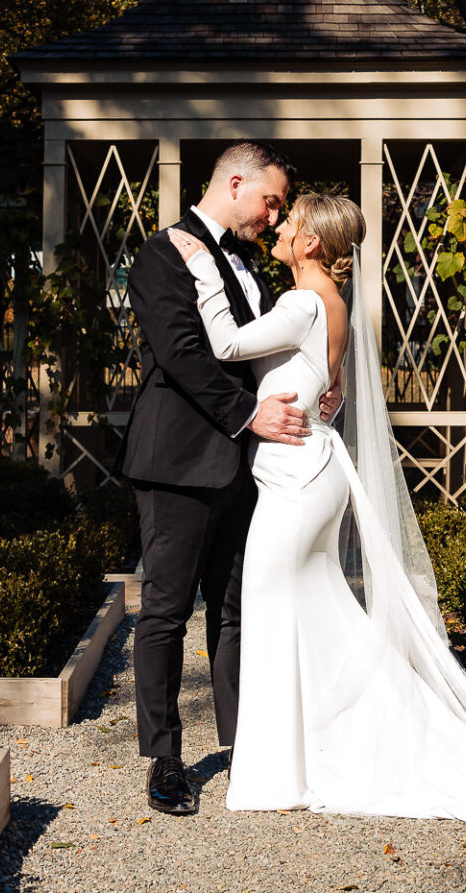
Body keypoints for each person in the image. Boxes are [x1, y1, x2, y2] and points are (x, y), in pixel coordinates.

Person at [169, 191, 466, 822]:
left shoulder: (304, 301)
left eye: (291, 224)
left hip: (297, 477)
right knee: (315, 611)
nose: (278, 228)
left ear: (309, 245)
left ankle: (279, 775)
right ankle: (351, 737)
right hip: (310, 468)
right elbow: (322, 383)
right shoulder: (329, 305)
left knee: (274, 613)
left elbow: (224, 345)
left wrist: (199, 265)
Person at [121, 141, 314, 817]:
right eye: (271, 201)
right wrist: (248, 417)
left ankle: (241, 750)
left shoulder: (247, 259)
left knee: (235, 611)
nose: (273, 215)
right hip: (177, 460)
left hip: (244, 468)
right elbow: (179, 353)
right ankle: (164, 758)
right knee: (167, 612)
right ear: (236, 183)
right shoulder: (161, 253)